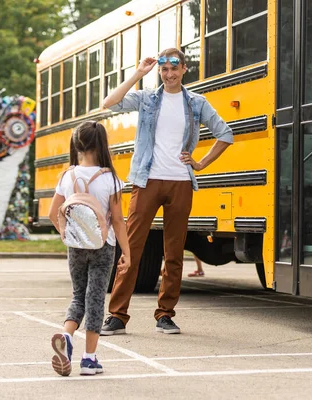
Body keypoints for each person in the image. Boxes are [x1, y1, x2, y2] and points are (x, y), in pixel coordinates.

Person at [100, 48, 233, 336]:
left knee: (173, 253)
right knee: (130, 250)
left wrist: (199, 163)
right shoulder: (148, 98)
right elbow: (109, 103)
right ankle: (117, 316)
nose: (169, 74)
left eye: (174, 69)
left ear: (184, 69)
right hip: (147, 181)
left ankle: (165, 315)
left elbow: (225, 133)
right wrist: (138, 73)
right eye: (164, 70)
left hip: (180, 183)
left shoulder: (197, 103)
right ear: (160, 71)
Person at [47, 121, 130, 376]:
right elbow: (117, 220)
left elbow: (53, 213)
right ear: (102, 144)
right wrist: (127, 253)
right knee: (95, 299)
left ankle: (66, 334)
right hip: (102, 246)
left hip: (75, 246)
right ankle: (89, 359)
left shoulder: (67, 176)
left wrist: (68, 233)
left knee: (77, 295)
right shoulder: (110, 178)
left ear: (77, 145)